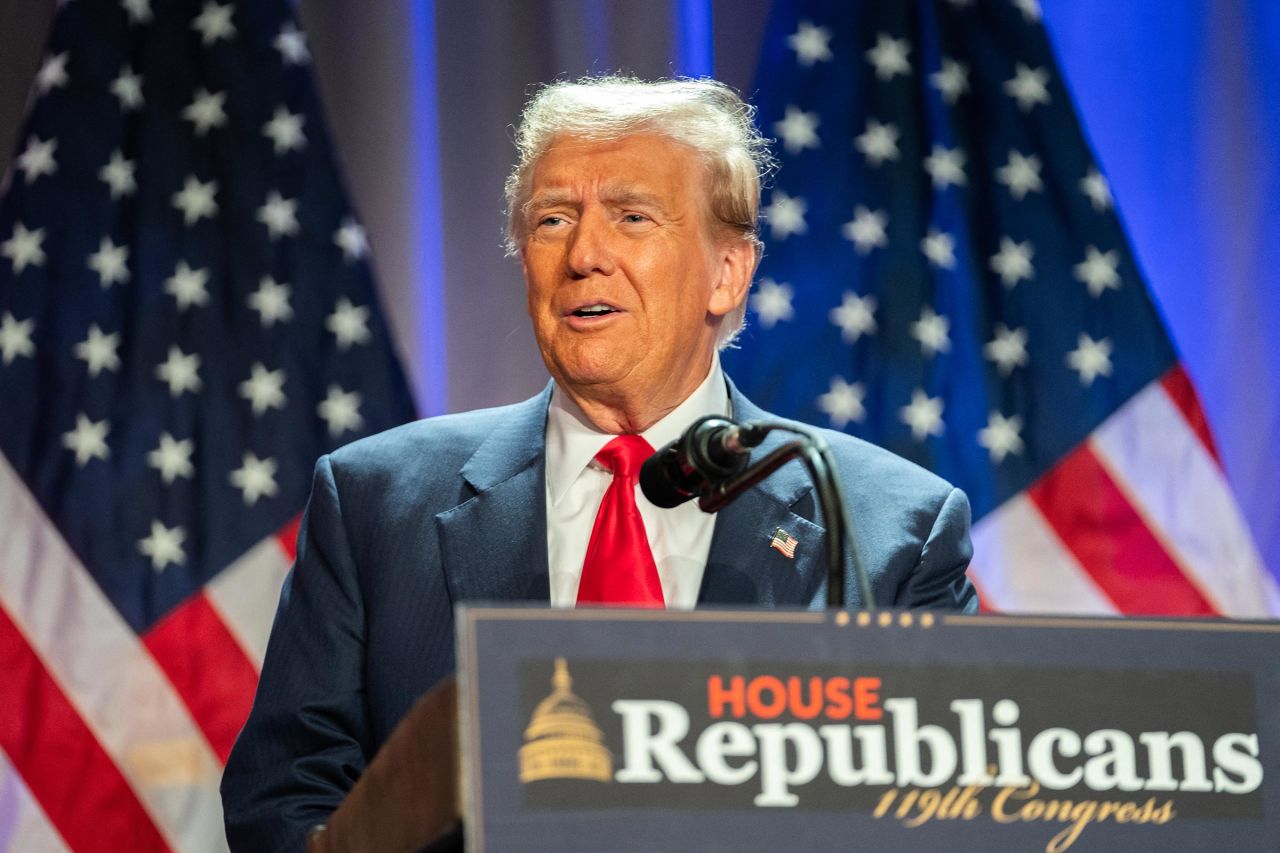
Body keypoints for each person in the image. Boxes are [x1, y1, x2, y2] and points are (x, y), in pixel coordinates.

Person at [221, 76, 977, 850]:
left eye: (632, 216)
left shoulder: (892, 527)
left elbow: (950, 817)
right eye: (553, 220)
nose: (583, 254)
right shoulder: (374, 500)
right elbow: (284, 798)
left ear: (728, 272)